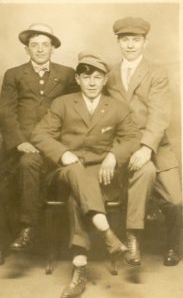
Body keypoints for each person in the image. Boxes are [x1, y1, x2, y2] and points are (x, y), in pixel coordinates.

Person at [32, 51, 140, 298]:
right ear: (78, 79)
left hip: (100, 176)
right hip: (64, 172)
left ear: (105, 80)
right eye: (86, 76)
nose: (92, 82)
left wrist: (114, 155)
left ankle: (79, 268)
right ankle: (107, 233)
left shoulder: (117, 107)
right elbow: (39, 134)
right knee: (75, 173)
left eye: (97, 77)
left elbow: (133, 137)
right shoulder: (62, 103)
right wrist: (62, 154)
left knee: (76, 198)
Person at [106, 16, 182, 266]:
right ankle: (131, 239)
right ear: (118, 42)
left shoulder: (157, 73)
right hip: (121, 145)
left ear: (145, 43)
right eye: (125, 40)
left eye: (135, 40)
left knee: (175, 200)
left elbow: (160, 113)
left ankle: (174, 246)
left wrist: (147, 147)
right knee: (127, 187)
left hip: (156, 144)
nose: (130, 45)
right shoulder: (108, 74)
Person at [0, 23, 78, 257]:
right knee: (15, 174)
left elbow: (74, 110)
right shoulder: (14, 74)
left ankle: (28, 229)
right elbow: (6, 111)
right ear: (27, 50)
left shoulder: (66, 74)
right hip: (21, 145)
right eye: (34, 45)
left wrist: (62, 146)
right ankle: (15, 237)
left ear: (53, 48)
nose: (40, 50)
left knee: (31, 166)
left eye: (45, 45)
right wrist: (19, 142)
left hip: (55, 145)